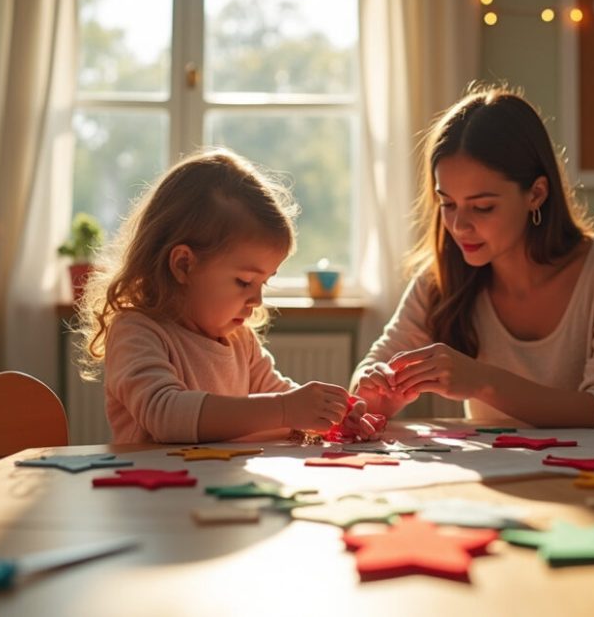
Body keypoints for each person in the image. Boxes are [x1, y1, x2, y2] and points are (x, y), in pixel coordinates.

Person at [352, 86, 594, 428]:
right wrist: (373, 391)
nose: (459, 225)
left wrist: (481, 380)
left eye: (483, 207)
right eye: (447, 203)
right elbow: (369, 376)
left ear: (536, 193)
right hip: (499, 476)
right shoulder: (440, 279)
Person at [79, 148, 375, 444]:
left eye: (264, 283)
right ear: (184, 265)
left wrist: (330, 416)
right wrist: (286, 409)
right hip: (156, 490)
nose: (257, 299)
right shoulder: (137, 330)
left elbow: (280, 396)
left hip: (221, 487)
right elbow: (166, 415)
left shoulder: (239, 339)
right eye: (244, 281)